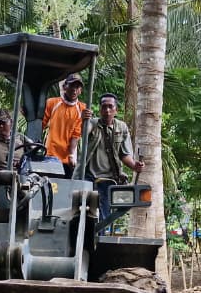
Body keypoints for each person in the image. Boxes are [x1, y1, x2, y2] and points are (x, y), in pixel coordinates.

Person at [85, 93, 143, 221]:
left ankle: (100, 234)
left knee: (104, 216)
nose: (107, 110)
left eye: (110, 107)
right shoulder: (92, 124)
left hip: (109, 179)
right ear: (100, 109)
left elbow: (124, 155)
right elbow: (81, 132)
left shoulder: (121, 127)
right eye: (104, 107)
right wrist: (84, 121)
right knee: (89, 214)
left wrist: (135, 166)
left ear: (116, 110)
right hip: (90, 178)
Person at [41, 74, 88, 177]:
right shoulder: (52, 103)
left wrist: (71, 155)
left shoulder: (82, 109)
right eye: (71, 86)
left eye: (77, 87)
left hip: (68, 159)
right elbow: (41, 124)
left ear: (80, 90)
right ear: (65, 87)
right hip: (51, 155)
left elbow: (77, 134)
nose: (74, 90)